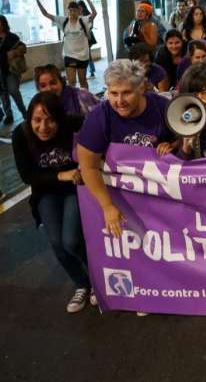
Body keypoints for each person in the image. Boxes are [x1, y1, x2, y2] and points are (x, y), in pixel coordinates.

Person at [76, 60, 176, 240]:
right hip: (123, 196)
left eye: (126, 93)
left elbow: (185, 137)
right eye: (113, 93)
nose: (119, 101)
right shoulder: (101, 115)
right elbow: (87, 166)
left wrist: (172, 146)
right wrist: (107, 206)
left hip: (160, 193)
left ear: (142, 88)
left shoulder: (162, 107)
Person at [12, 92, 92, 313]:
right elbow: (27, 176)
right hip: (46, 191)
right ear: (29, 120)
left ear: (60, 117)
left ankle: (97, 280)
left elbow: (98, 134)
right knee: (57, 242)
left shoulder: (75, 123)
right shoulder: (20, 135)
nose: (43, 127)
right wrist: (61, 175)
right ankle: (81, 284)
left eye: (50, 120)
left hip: (75, 189)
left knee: (72, 240)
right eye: (37, 120)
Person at [35, 0, 97, 89]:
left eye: (74, 10)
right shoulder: (63, 20)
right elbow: (46, 14)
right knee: (71, 82)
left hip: (83, 56)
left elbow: (94, 13)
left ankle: (86, 100)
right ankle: (72, 101)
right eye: (70, 11)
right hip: (69, 55)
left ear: (79, 11)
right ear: (67, 11)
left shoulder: (83, 20)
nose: (72, 13)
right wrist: (37, 0)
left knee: (82, 81)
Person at [34, 64, 99, 116]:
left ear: (61, 82)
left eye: (53, 83)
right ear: (38, 89)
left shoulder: (82, 96)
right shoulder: (40, 107)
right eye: (43, 86)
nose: (49, 89)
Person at [0, 14, 27, 124]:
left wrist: (15, 52)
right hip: (0, 72)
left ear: (4, 24)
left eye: (0, 23)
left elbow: (23, 48)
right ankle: (8, 115)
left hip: (11, 71)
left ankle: (24, 112)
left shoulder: (12, 37)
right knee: (3, 94)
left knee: (13, 91)